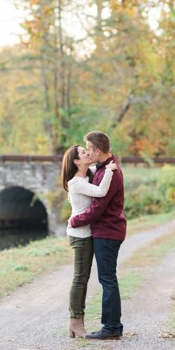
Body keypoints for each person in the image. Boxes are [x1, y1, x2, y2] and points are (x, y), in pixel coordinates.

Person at [68, 130, 126, 340]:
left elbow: (97, 209)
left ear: (97, 150)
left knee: (107, 279)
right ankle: (112, 326)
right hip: (106, 230)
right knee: (107, 278)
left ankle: (111, 327)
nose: (88, 154)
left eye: (88, 150)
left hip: (107, 231)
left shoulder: (108, 172)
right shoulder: (102, 169)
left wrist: (74, 221)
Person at [61, 144, 116, 338]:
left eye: (89, 150)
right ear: (76, 161)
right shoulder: (76, 182)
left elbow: (103, 161)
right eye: (84, 153)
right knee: (80, 279)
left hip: (86, 232)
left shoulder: (89, 173)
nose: (88, 153)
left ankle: (76, 323)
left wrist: (109, 156)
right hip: (80, 235)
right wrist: (110, 171)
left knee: (83, 278)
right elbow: (101, 192)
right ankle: (75, 321)